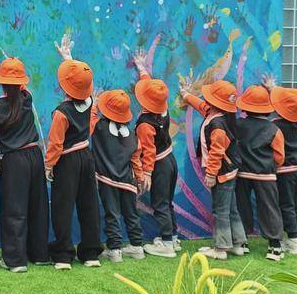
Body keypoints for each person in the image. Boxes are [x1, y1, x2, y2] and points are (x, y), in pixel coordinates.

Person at [45, 33, 103, 270]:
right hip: (87, 158)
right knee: (89, 205)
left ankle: (62, 255)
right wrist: (69, 59)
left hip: (67, 161)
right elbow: (82, 83)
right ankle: (91, 253)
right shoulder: (90, 102)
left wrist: (49, 165)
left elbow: (55, 144)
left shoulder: (61, 112)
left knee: (63, 206)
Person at [0, 57, 50, 272]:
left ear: (1, 83)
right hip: (34, 156)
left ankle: (15, 260)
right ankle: (40, 254)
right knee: (38, 206)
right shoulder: (27, 98)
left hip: (13, 160)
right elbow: (21, 88)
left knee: (14, 209)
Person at [180, 77, 247, 260]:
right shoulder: (216, 114)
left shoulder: (217, 125)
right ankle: (238, 243)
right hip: (229, 171)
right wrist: (186, 95)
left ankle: (221, 248)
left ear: (216, 102)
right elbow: (201, 105)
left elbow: (216, 152)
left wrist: (211, 174)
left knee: (220, 211)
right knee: (231, 208)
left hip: (222, 174)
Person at [131, 50, 180, 258]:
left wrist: (147, 173)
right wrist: (142, 69)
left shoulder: (145, 124)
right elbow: (152, 90)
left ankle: (167, 244)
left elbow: (148, 151)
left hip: (159, 166)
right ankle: (173, 237)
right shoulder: (162, 107)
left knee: (159, 203)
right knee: (167, 201)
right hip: (170, 160)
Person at [92, 90, 145, 263]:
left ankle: (115, 250)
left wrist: (94, 104)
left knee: (112, 214)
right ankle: (137, 246)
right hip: (128, 182)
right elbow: (136, 159)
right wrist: (139, 178)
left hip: (107, 181)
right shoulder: (132, 135)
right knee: (132, 214)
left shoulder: (99, 127)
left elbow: (90, 119)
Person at [234, 85, 286, 261]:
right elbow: (280, 157)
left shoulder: (237, 125)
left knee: (242, 206)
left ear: (245, 107)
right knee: (270, 208)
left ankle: (242, 242)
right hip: (266, 176)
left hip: (242, 175)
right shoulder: (274, 129)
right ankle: (274, 246)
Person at [263, 75, 297, 254]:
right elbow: (288, 103)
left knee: (286, 204)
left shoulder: (275, 125)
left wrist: (270, 91)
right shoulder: (296, 121)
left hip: (285, 171)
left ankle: (292, 239)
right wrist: (272, 88)